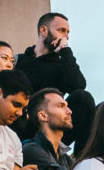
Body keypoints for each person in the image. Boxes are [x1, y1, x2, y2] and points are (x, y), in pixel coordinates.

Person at [14, 13, 95, 145]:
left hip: (51, 127)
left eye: (68, 32)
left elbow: (78, 86)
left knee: (83, 97)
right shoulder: (19, 61)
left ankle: (82, 158)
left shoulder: (62, 65)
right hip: (22, 126)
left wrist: (65, 50)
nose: (66, 37)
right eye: (61, 30)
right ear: (44, 30)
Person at [21, 86, 74, 170]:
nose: (69, 111)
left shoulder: (64, 157)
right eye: (61, 106)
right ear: (43, 116)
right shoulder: (32, 150)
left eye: (67, 106)